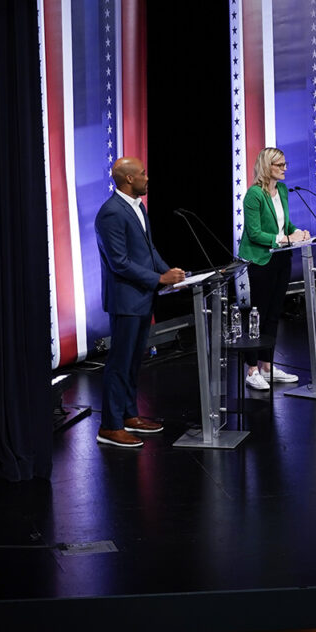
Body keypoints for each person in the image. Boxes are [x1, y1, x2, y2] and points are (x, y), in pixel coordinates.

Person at [93, 157, 186, 448]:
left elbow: (148, 249)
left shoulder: (138, 206)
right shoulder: (111, 213)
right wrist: (159, 280)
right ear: (129, 179)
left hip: (142, 297)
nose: (148, 177)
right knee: (119, 363)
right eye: (143, 173)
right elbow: (119, 263)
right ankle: (110, 426)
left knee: (134, 361)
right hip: (125, 300)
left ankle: (129, 415)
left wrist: (169, 272)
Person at [237, 147, 311, 390]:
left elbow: (284, 224)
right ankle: (251, 370)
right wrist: (283, 239)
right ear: (267, 167)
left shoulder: (282, 190)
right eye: (280, 165)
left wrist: (297, 232)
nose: (285, 168)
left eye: (285, 164)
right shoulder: (254, 195)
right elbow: (254, 233)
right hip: (260, 260)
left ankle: (268, 366)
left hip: (281, 258)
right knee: (256, 314)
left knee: (274, 313)